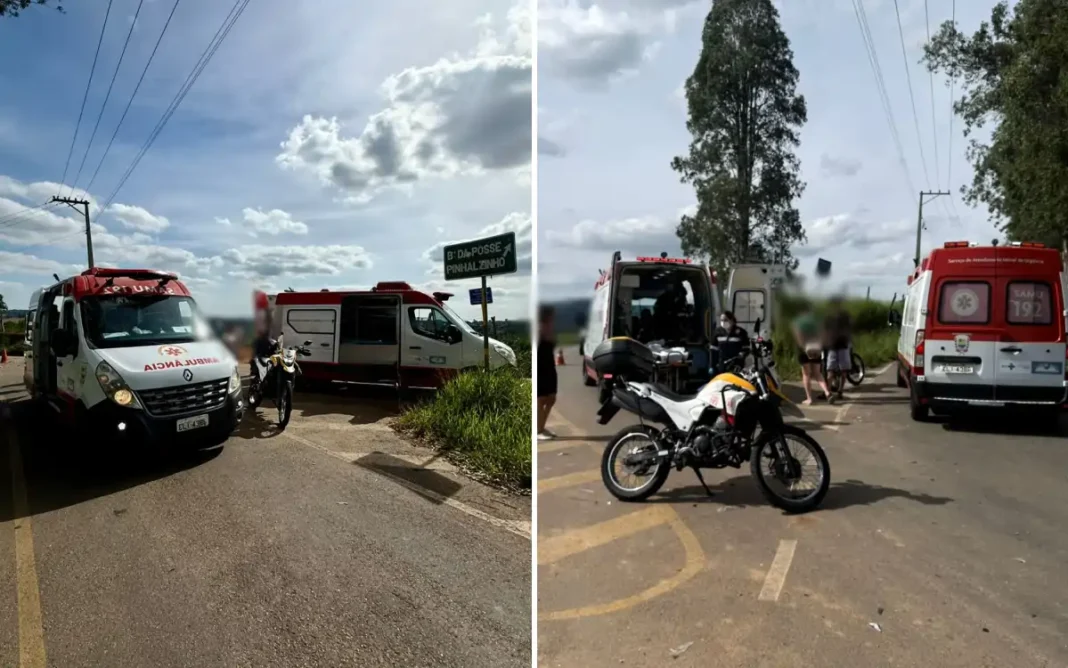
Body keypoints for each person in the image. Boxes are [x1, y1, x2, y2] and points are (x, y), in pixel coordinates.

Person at [793, 305, 833, 405]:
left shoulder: (798, 322)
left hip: (805, 349)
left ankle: (809, 399)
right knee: (817, 373)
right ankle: (827, 392)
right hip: (816, 348)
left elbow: (799, 336)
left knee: (806, 374)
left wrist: (803, 348)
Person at [824, 296, 852, 401]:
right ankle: (830, 392)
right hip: (835, 346)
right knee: (831, 370)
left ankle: (837, 391)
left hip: (840, 345)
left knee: (837, 370)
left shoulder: (843, 317)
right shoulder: (830, 317)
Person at [537, 305, 558, 441]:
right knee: (541, 399)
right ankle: (538, 430)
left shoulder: (549, 329)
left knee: (551, 398)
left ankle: (541, 427)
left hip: (550, 367)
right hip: (540, 367)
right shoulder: (538, 329)